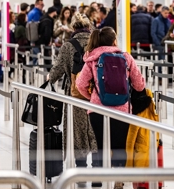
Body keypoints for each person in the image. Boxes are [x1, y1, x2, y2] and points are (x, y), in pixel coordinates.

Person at [76, 27, 145, 189]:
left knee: (99, 145)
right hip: (122, 109)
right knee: (120, 146)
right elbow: (139, 85)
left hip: (98, 110)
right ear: (114, 41)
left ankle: (98, 180)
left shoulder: (92, 58)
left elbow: (80, 84)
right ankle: (118, 180)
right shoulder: (126, 57)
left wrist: (92, 97)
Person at [48, 13, 97, 174]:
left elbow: (58, 70)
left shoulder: (68, 46)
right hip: (96, 95)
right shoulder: (97, 43)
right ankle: (97, 173)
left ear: (73, 28)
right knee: (96, 130)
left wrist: (50, 77)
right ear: (89, 28)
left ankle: (81, 171)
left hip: (75, 95)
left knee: (78, 132)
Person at [126, 88, 161, 189]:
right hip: (148, 153)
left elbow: (130, 142)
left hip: (140, 155)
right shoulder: (152, 113)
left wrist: (128, 166)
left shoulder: (137, 115)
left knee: (138, 181)